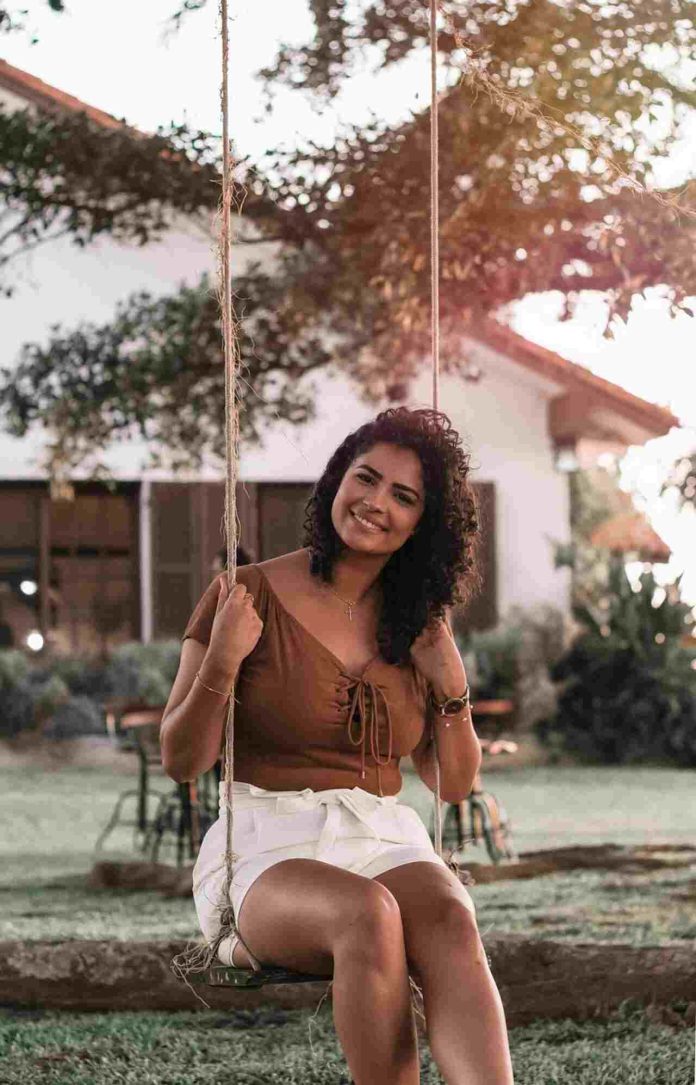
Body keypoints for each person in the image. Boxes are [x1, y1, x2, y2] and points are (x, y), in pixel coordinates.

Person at [161, 407, 514, 1085]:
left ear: (422, 523)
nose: (376, 502)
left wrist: (452, 685)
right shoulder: (244, 594)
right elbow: (182, 759)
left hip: (381, 834)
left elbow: (453, 784)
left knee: (448, 916)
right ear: (336, 481)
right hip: (266, 842)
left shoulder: (418, 625)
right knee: (367, 911)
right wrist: (222, 662)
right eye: (367, 477)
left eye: (403, 496)